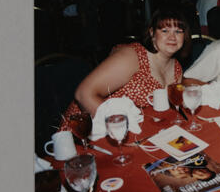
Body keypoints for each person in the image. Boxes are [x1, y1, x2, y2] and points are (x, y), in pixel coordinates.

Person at [60, 7, 190, 125]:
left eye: (178, 31)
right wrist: (121, 127)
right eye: (165, 30)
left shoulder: (176, 68)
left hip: (137, 130)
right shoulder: (132, 56)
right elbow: (83, 94)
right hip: (87, 128)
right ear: (152, 33)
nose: (172, 37)